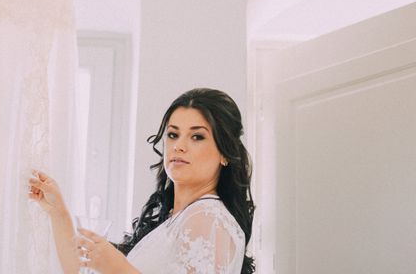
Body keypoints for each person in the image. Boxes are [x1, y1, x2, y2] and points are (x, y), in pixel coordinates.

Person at [28, 88, 255, 273]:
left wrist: (118, 269)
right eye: (173, 134)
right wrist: (58, 212)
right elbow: (80, 269)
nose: (179, 146)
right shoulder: (177, 219)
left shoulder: (207, 218)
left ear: (225, 153)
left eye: (197, 136)